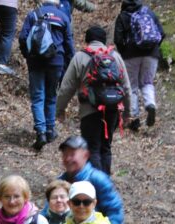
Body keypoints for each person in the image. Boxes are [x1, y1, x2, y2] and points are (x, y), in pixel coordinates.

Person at [55, 26, 132, 176]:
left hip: (89, 111)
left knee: (92, 149)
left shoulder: (80, 57)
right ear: (104, 41)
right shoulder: (115, 57)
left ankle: (97, 188)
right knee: (106, 147)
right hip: (112, 109)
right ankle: (105, 184)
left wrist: (60, 110)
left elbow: (66, 87)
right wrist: (127, 113)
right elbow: (126, 87)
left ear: (87, 40)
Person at [18, 0, 74, 150]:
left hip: (36, 61)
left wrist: (27, 55)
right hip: (56, 61)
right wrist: (69, 64)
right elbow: (69, 44)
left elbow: (23, 38)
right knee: (51, 95)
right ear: (56, 3)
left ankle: (41, 132)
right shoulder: (63, 16)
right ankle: (50, 130)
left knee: (37, 96)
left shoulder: (33, 14)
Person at [56, 136, 128, 224]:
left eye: (72, 154)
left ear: (86, 155)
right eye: (65, 154)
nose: (67, 159)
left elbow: (114, 210)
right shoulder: (60, 181)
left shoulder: (97, 179)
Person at [113, 0, 164, 130]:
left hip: (130, 56)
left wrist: (124, 52)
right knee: (147, 82)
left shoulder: (123, 16)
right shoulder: (148, 12)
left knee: (132, 86)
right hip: (151, 54)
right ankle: (150, 104)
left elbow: (118, 39)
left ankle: (134, 118)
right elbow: (161, 33)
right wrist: (153, 48)